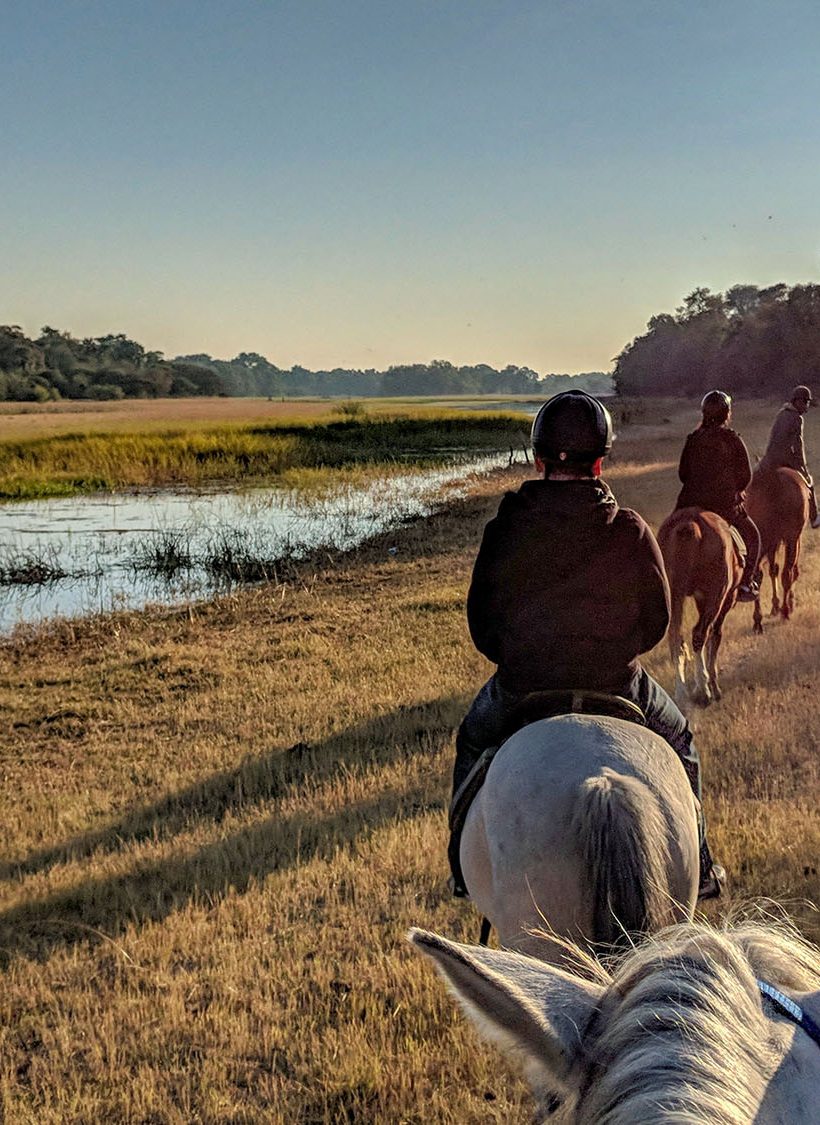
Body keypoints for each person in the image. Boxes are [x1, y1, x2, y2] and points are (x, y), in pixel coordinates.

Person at [448, 390, 724, 901]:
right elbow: (656, 622)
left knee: (471, 739)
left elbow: (482, 625)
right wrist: (609, 653)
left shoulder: (505, 529)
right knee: (681, 743)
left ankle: (462, 872)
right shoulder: (630, 530)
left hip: (522, 684)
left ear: (538, 458)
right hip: (616, 682)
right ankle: (701, 863)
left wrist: (522, 657)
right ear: (601, 461)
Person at [673, 390, 761, 601]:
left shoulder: (693, 439)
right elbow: (745, 476)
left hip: (688, 503)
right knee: (753, 538)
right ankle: (746, 584)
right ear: (726, 414)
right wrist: (736, 491)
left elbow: (683, 474)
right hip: (723, 505)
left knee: (668, 535)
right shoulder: (732, 439)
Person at [759, 385, 820, 528]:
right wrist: (803, 468)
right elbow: (797, 446)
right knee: (809, 482)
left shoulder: (781, 413)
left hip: (768, 459)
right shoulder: (797, 418)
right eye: (805, 402)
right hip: (784, 459)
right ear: (797, 401)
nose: (806, 406)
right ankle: (814, 517)